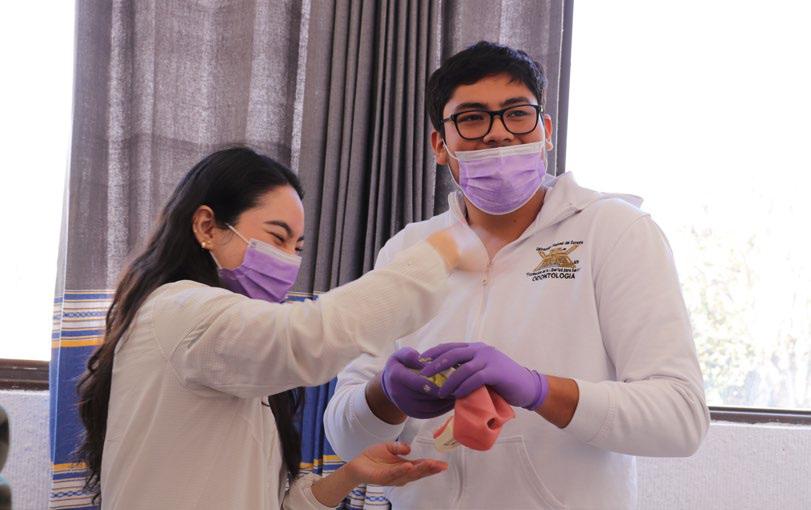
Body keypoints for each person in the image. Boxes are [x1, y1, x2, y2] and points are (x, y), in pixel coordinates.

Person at [324, 41, 710, 509]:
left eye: (517, 114)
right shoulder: (408, 251)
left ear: (545, 130)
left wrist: (540, 389)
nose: (498, 134)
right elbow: (345, 438)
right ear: (439, 145)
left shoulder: (614, 231)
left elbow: (680, 419)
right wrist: (384, 396)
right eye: (471, 118)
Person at [76, 147, 486, 509]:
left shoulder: (231, 344)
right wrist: (440, 252)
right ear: (207, 227)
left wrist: (351, 476)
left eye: (297, 247)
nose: (289, 261)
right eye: (277, 238)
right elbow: (308, 339)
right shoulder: (179, 312)